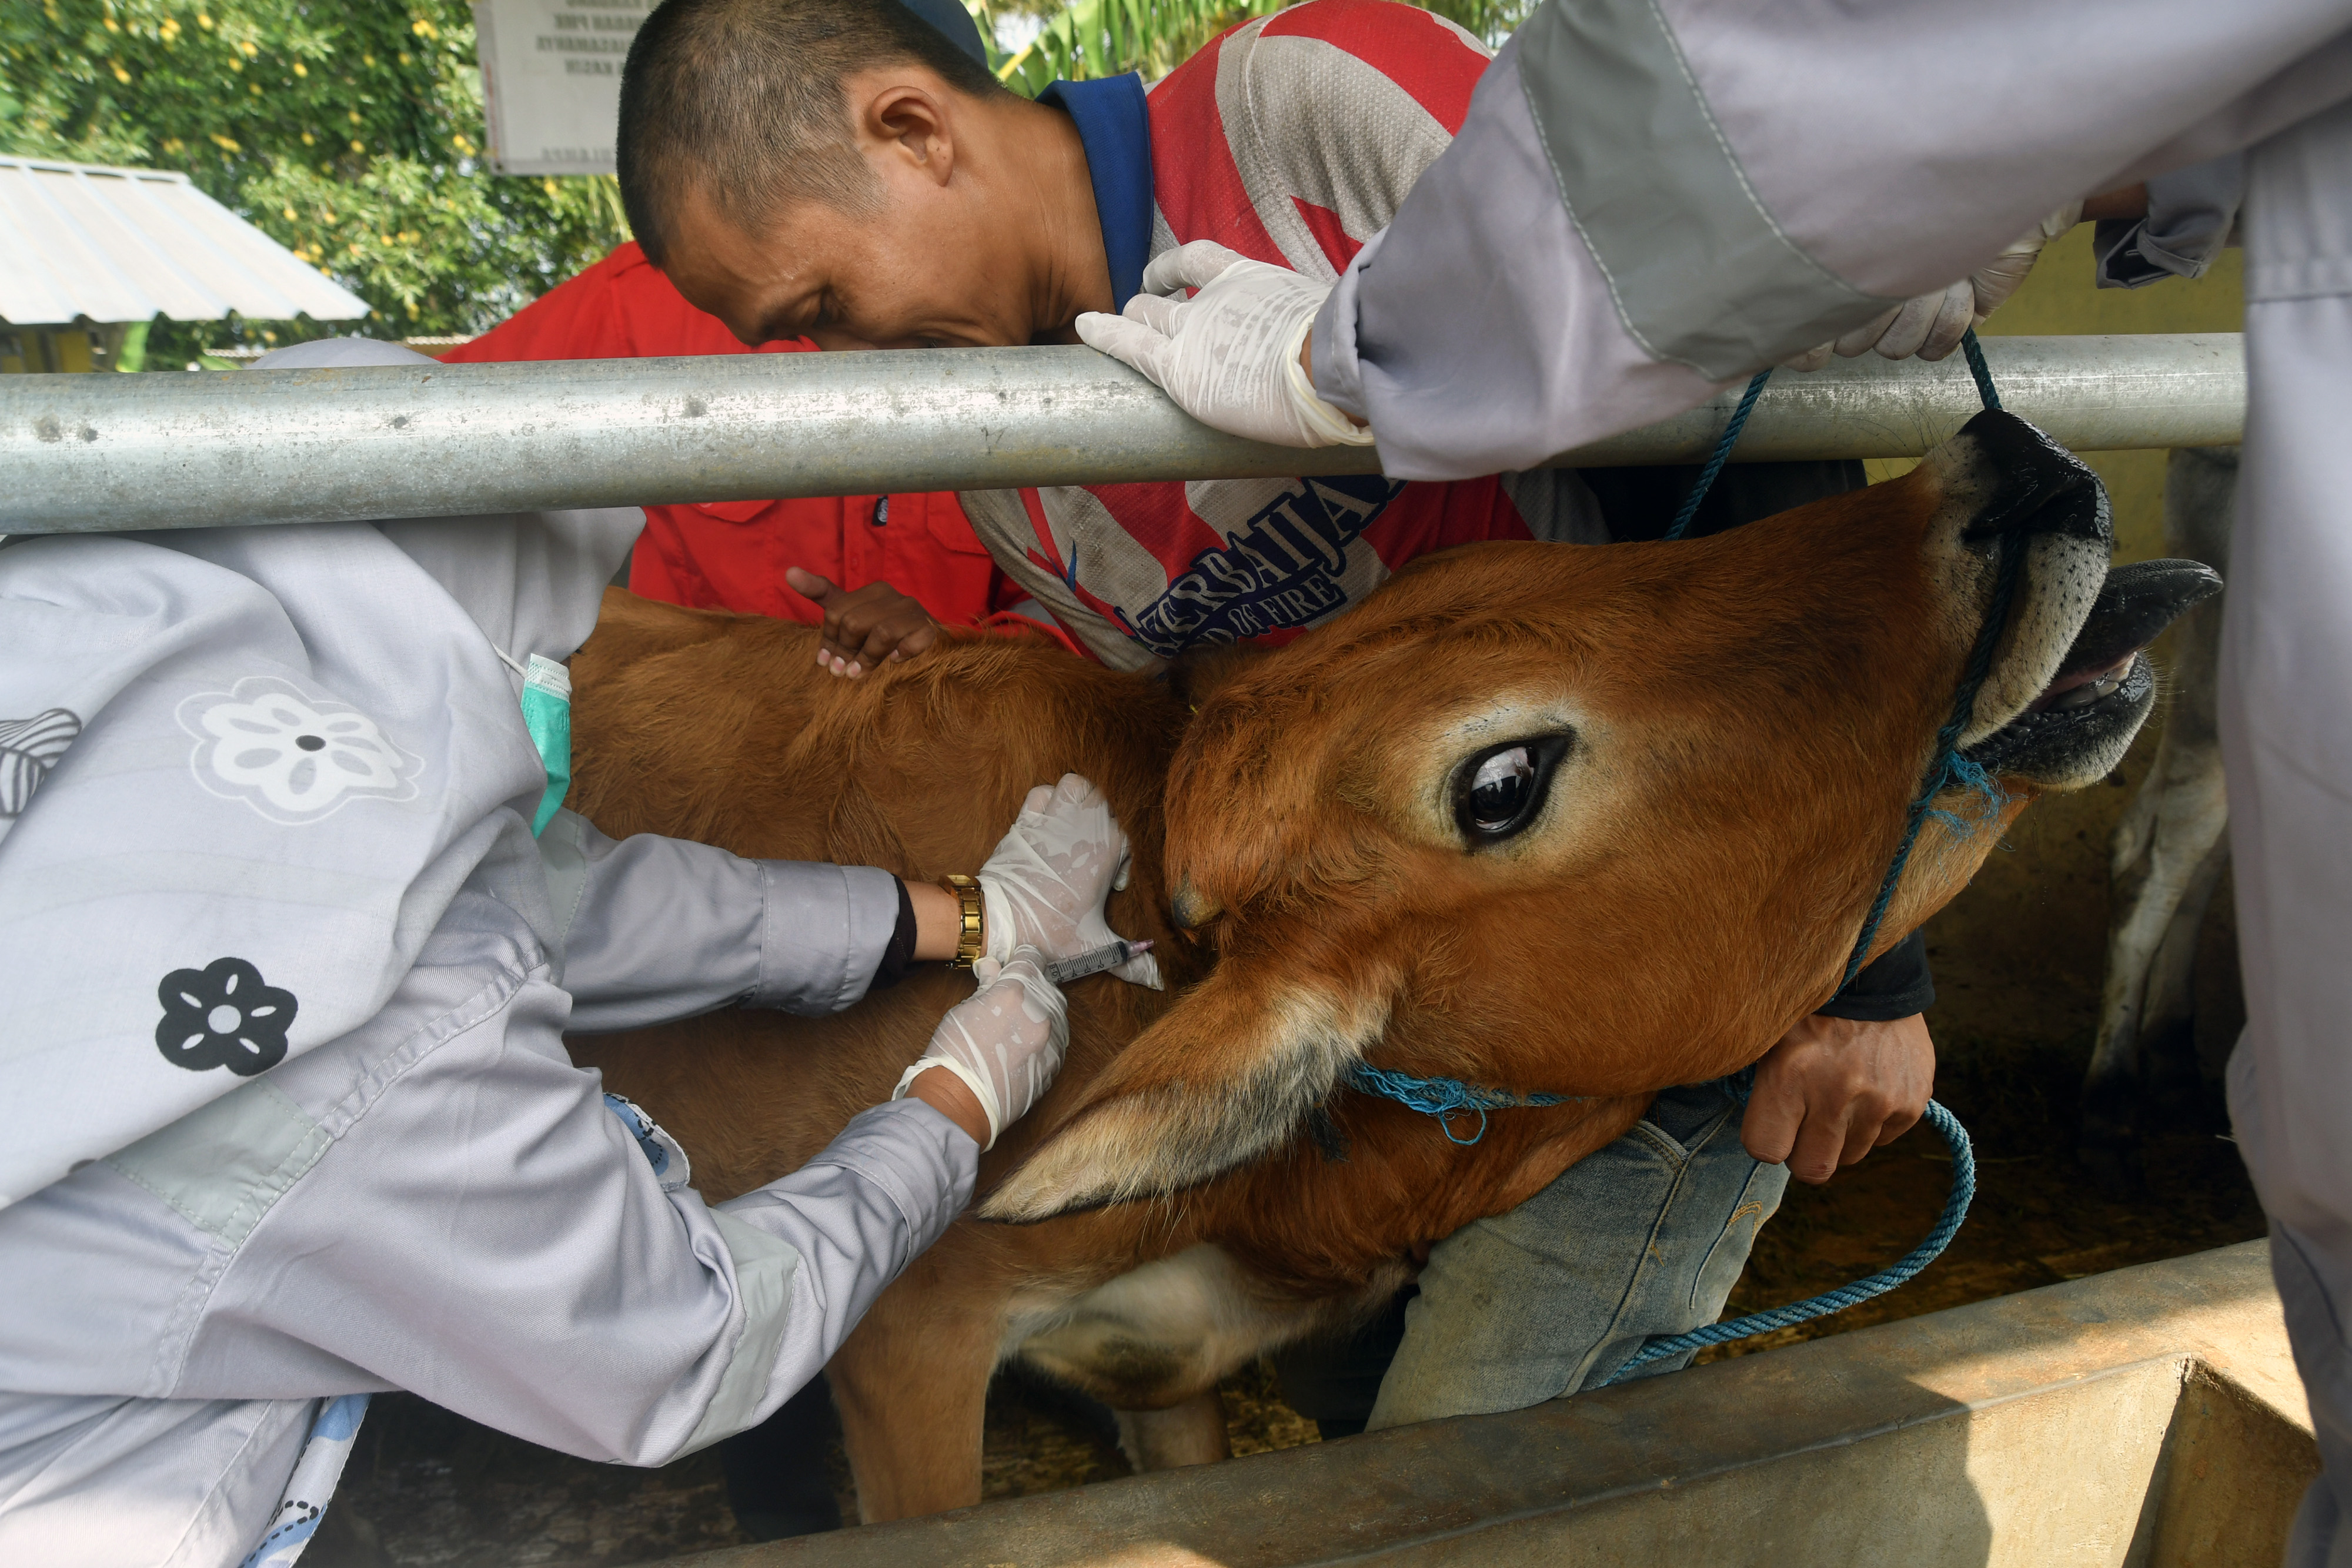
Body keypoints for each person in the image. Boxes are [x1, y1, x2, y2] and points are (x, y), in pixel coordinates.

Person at [1078, 0, 2352, 1550]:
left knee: (1441, 1495)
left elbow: (1748, 165)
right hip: (1534, 1033)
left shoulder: (1315, 98)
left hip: (1694, 1032)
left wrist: (1351, 352)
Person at [613, 0, 1944, 1440]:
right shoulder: (1010, 472)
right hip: (1415, 1045)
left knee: (1452, 1485)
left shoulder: (1301, 115)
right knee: (1346, 1411)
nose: (845, 363)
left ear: (911, 130)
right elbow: (1189, 714)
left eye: (816, 308)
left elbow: (1730, 386)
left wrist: (1865, 975)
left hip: (1671, 969)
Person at [0, 338, 1157, 1566]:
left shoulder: (134, 682)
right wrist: (953, 1105)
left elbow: (547, 894)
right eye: (550, 653)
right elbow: (676, 1339)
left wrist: (966, 917)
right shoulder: (369, 1051)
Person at [440, 239, 1029, 637]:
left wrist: (950, 654)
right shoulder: (641, 302)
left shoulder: (1004, 310)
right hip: (701, 768)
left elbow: (1086, 608)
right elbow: (425, 437)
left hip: (948, 762)